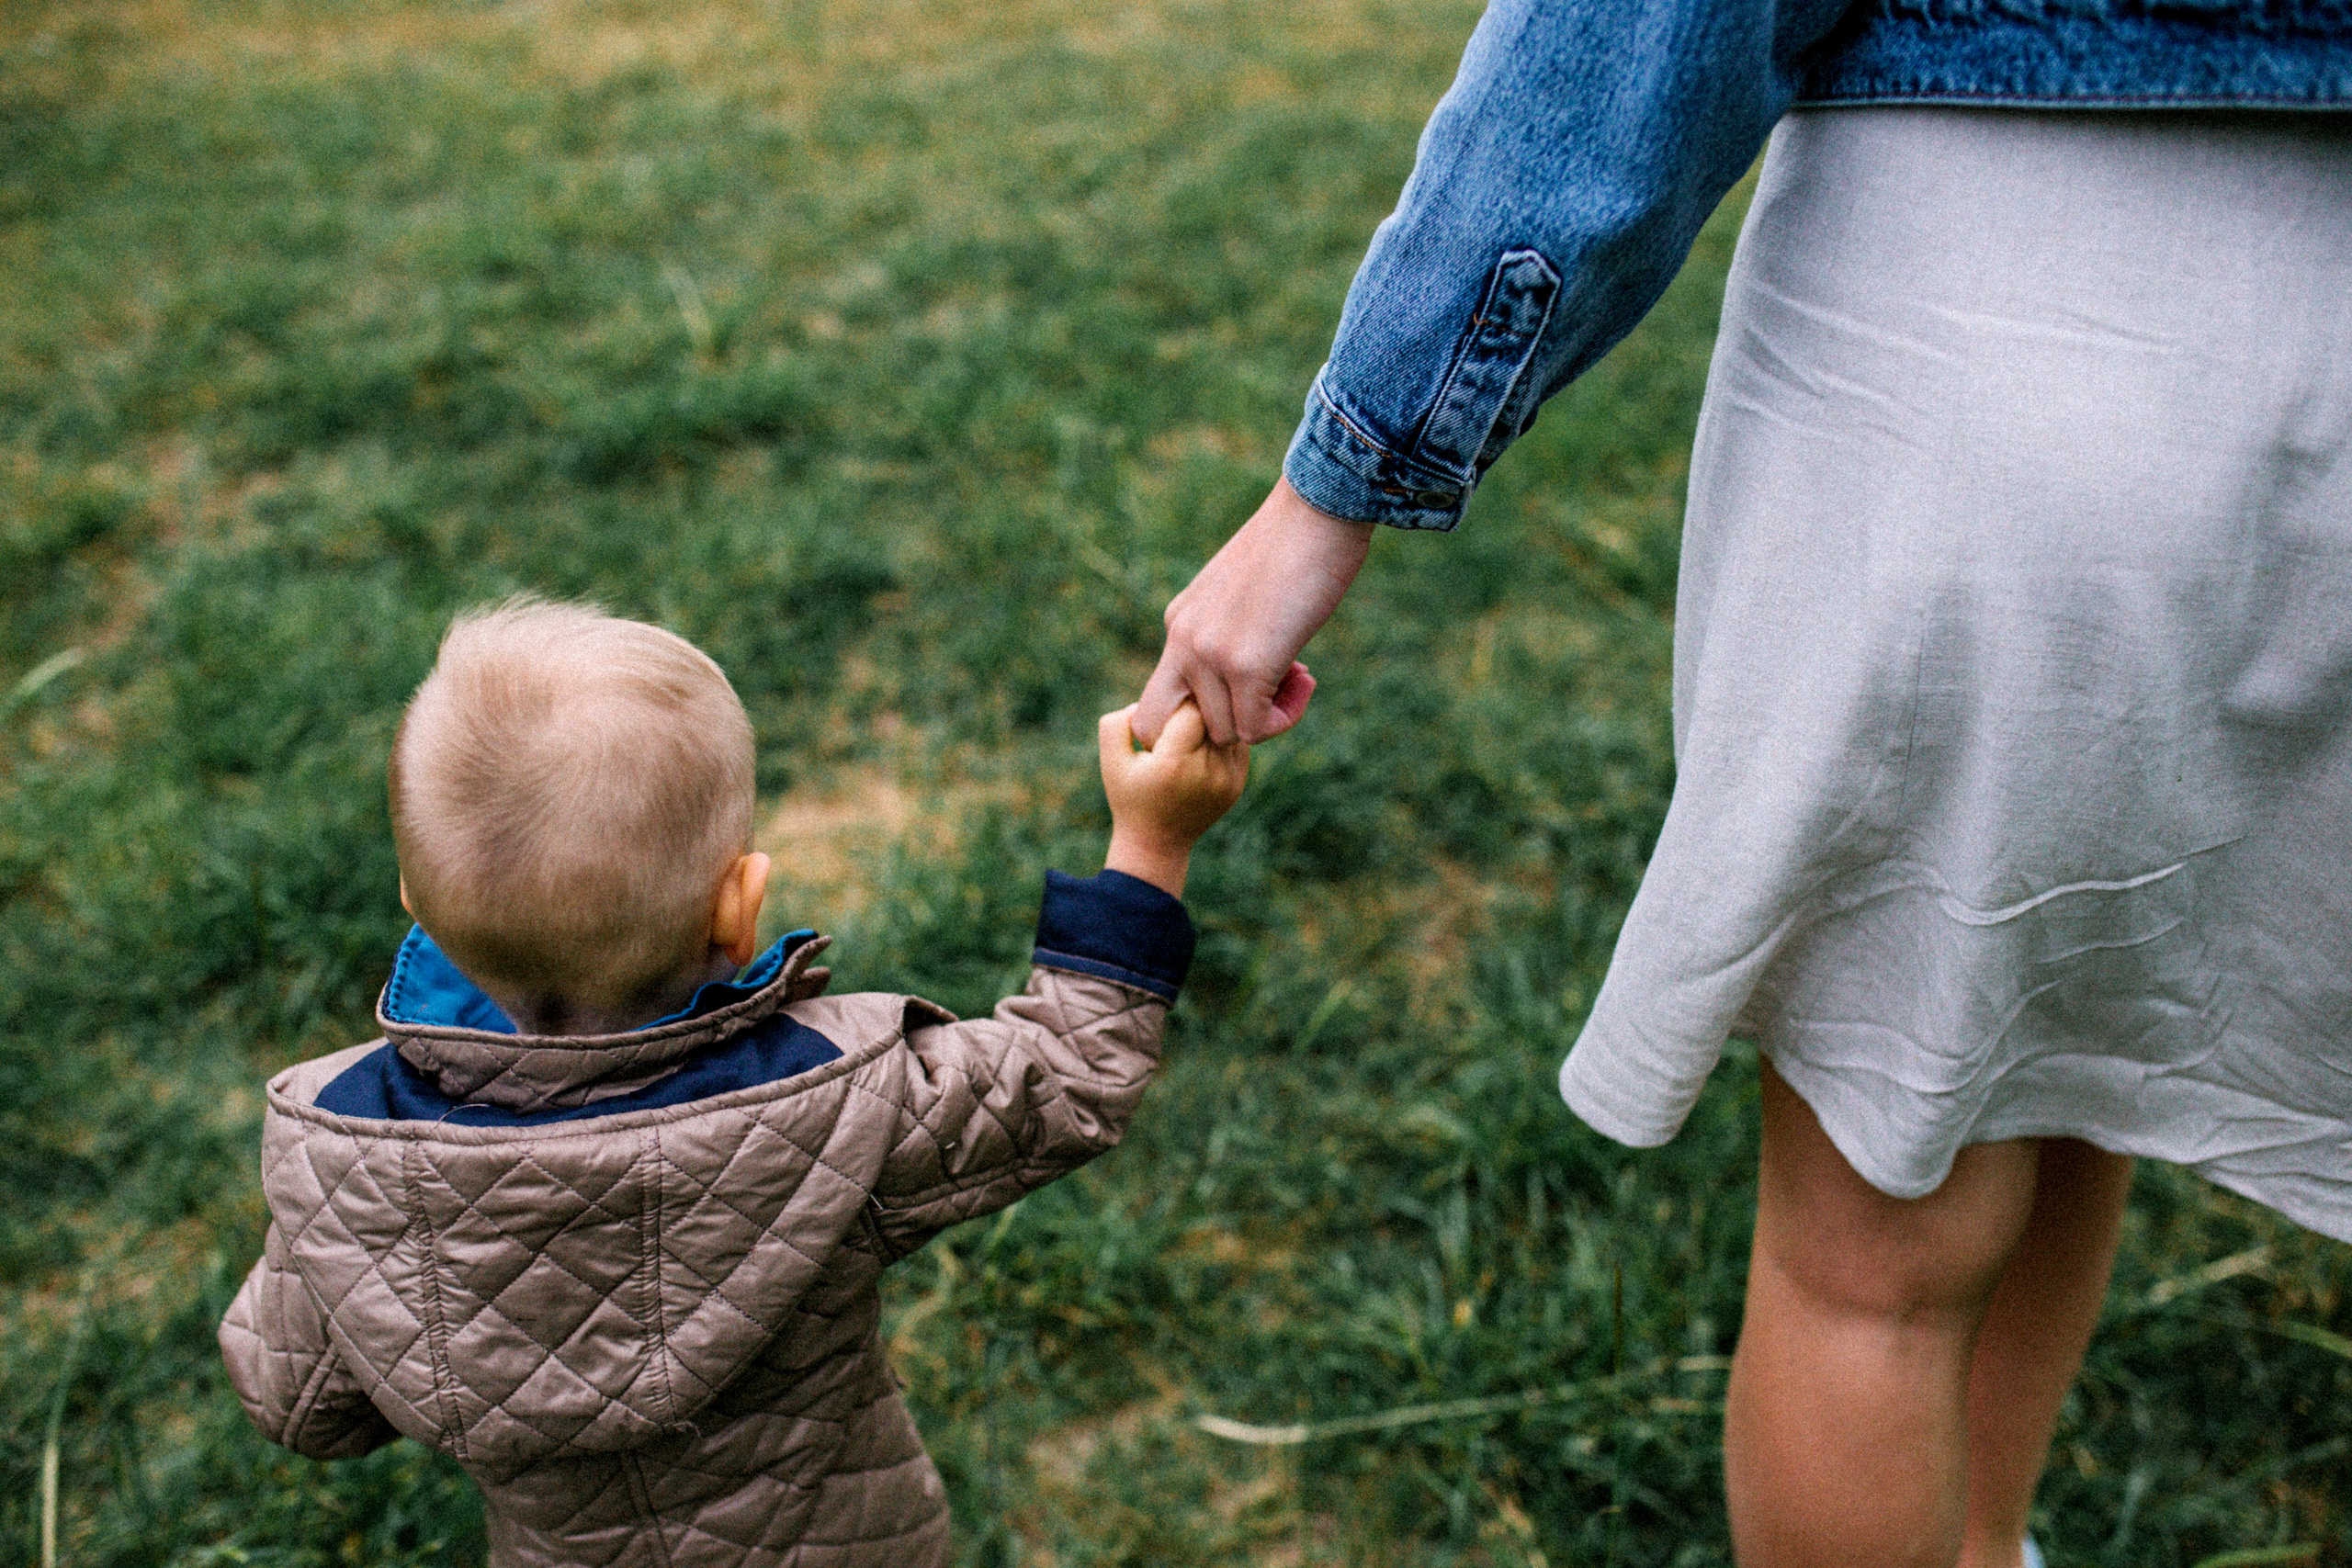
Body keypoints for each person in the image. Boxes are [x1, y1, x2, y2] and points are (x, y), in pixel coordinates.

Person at [1132, 2, 2351, 1562]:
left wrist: (1333, 488)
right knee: (2059, 1047)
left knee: (1879, 1252)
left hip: (2002, 336)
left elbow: (1633, 37)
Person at [219, 597, 1249, 1568]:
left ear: (412, 899)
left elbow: (301, 1404)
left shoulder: (348, 1163)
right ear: (738, 906)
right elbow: (1067, 1075)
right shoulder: (835, 1105)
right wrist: (1150, 843)